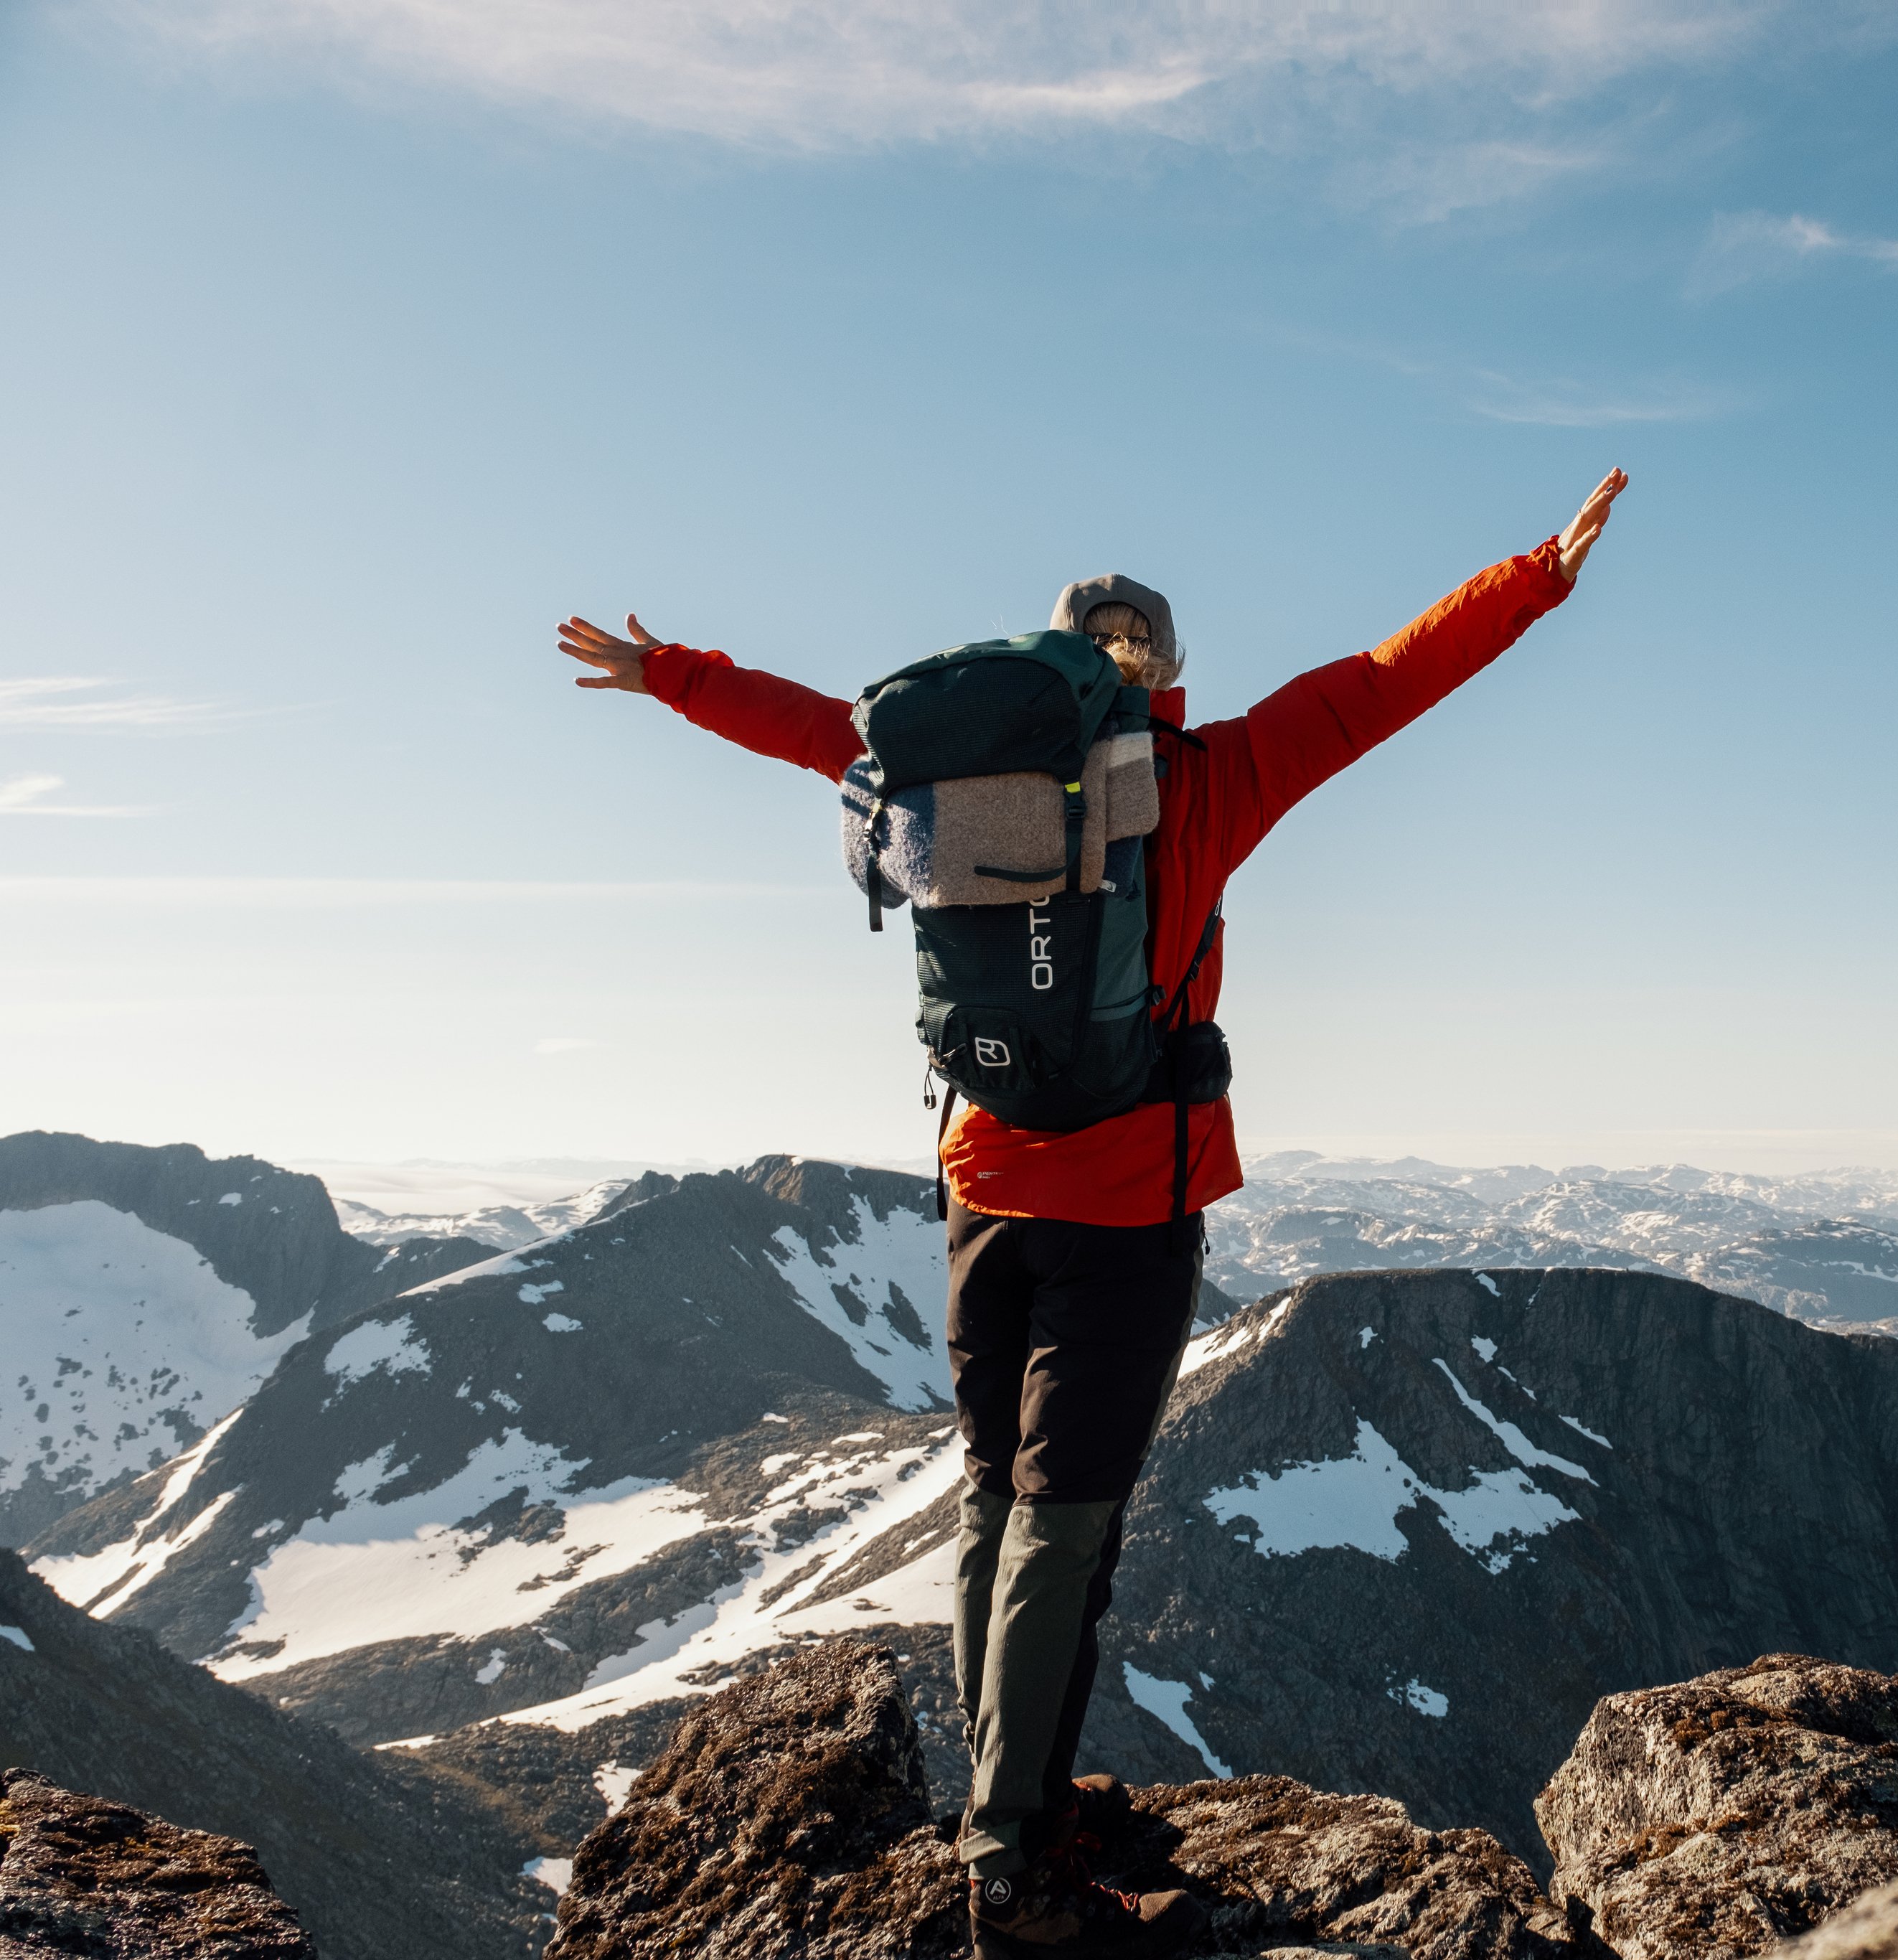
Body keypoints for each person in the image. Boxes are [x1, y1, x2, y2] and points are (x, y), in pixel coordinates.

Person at [555, 468, 1627, 1958]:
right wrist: (1534, 574)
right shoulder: (1208, 776)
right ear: (1167, 678)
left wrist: (668, 670)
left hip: (982, 1185)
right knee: (1068, 1524)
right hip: (1128, 1203)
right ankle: (1013, 1869)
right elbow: (1384, 682)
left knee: (997, 1502)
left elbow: (816, 732)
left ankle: (1022, 1796)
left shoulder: (954, 783)